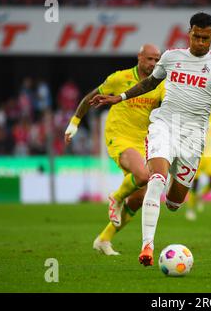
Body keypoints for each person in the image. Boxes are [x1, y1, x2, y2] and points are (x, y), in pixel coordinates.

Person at [91, 12, 211, 266]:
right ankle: (147, 247)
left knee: (175, 203)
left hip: (193, 137)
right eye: (196, 36)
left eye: (205, 38)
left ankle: (158, 196)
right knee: (155, 179)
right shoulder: (172, 57)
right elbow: (149, 84)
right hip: (164, 126)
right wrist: (119, 97)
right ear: (189, 33)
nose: (200, 42)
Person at [64, 44, 165, 255]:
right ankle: (116, 197)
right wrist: (74, 123)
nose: (154, 64)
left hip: (144, 142)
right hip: (119, 137)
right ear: (139, 57)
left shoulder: (161, 84)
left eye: (157, 60)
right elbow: (88, 98)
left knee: (138, 199)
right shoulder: (119, 78)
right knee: (144, 174)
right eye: (150, 59)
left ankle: (103, 239)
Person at [185, 111, 211, 221]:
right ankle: (190, 209)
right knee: (195, 183)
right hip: (196, 154)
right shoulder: (195, 114)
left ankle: (199, 196)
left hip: (210, 155)